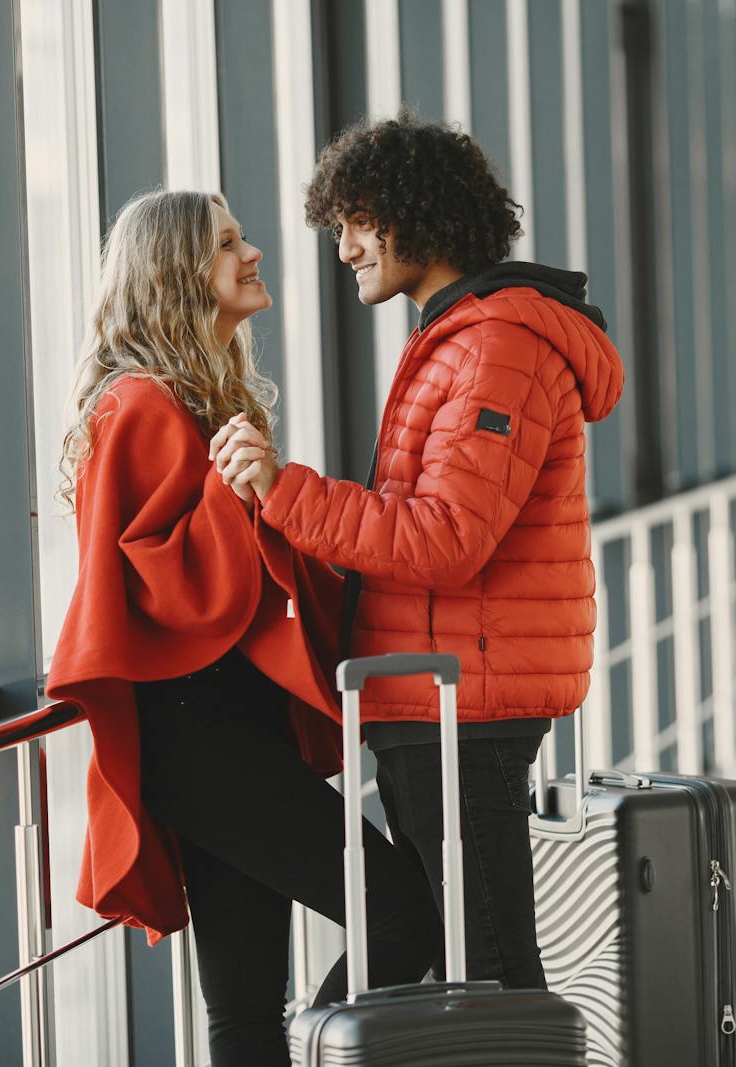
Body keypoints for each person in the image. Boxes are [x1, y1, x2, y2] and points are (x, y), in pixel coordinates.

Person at [212, 110, 625, 991]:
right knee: (456, 955)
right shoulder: (462, 338)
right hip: (439, 700)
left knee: (495, 970)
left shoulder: (494, 348)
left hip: (461, 707)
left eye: (360, 222)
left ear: (418, 215)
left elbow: (444, 538)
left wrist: (286, 493)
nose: (346, 248)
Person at [45, 189, 440, 1067]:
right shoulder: (138, 405)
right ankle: (331, 1048)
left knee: (245, 1012)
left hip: (220, 732)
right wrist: (246, 488)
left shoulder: (189, 401)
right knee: (405, 913)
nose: (252, 252)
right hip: (200, 736)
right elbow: (159, 584)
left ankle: (312, 1045)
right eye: (227, 243)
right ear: (178, 272)